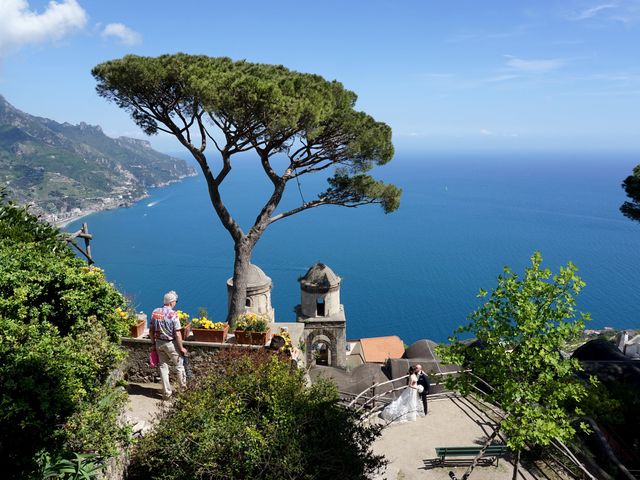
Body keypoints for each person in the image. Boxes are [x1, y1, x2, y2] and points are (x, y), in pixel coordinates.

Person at [149, 290, 187, 399]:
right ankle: (183, 391)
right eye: (176, 301)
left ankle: (166, 393)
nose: (176, 303)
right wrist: (181, 348)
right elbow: (178, 333)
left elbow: (151, 330)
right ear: (171, 302)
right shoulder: (173, 314)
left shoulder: (156, 312)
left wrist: (153, 343)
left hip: (159, 344)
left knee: (163, 367)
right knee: (179, 366)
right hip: (171, 344)